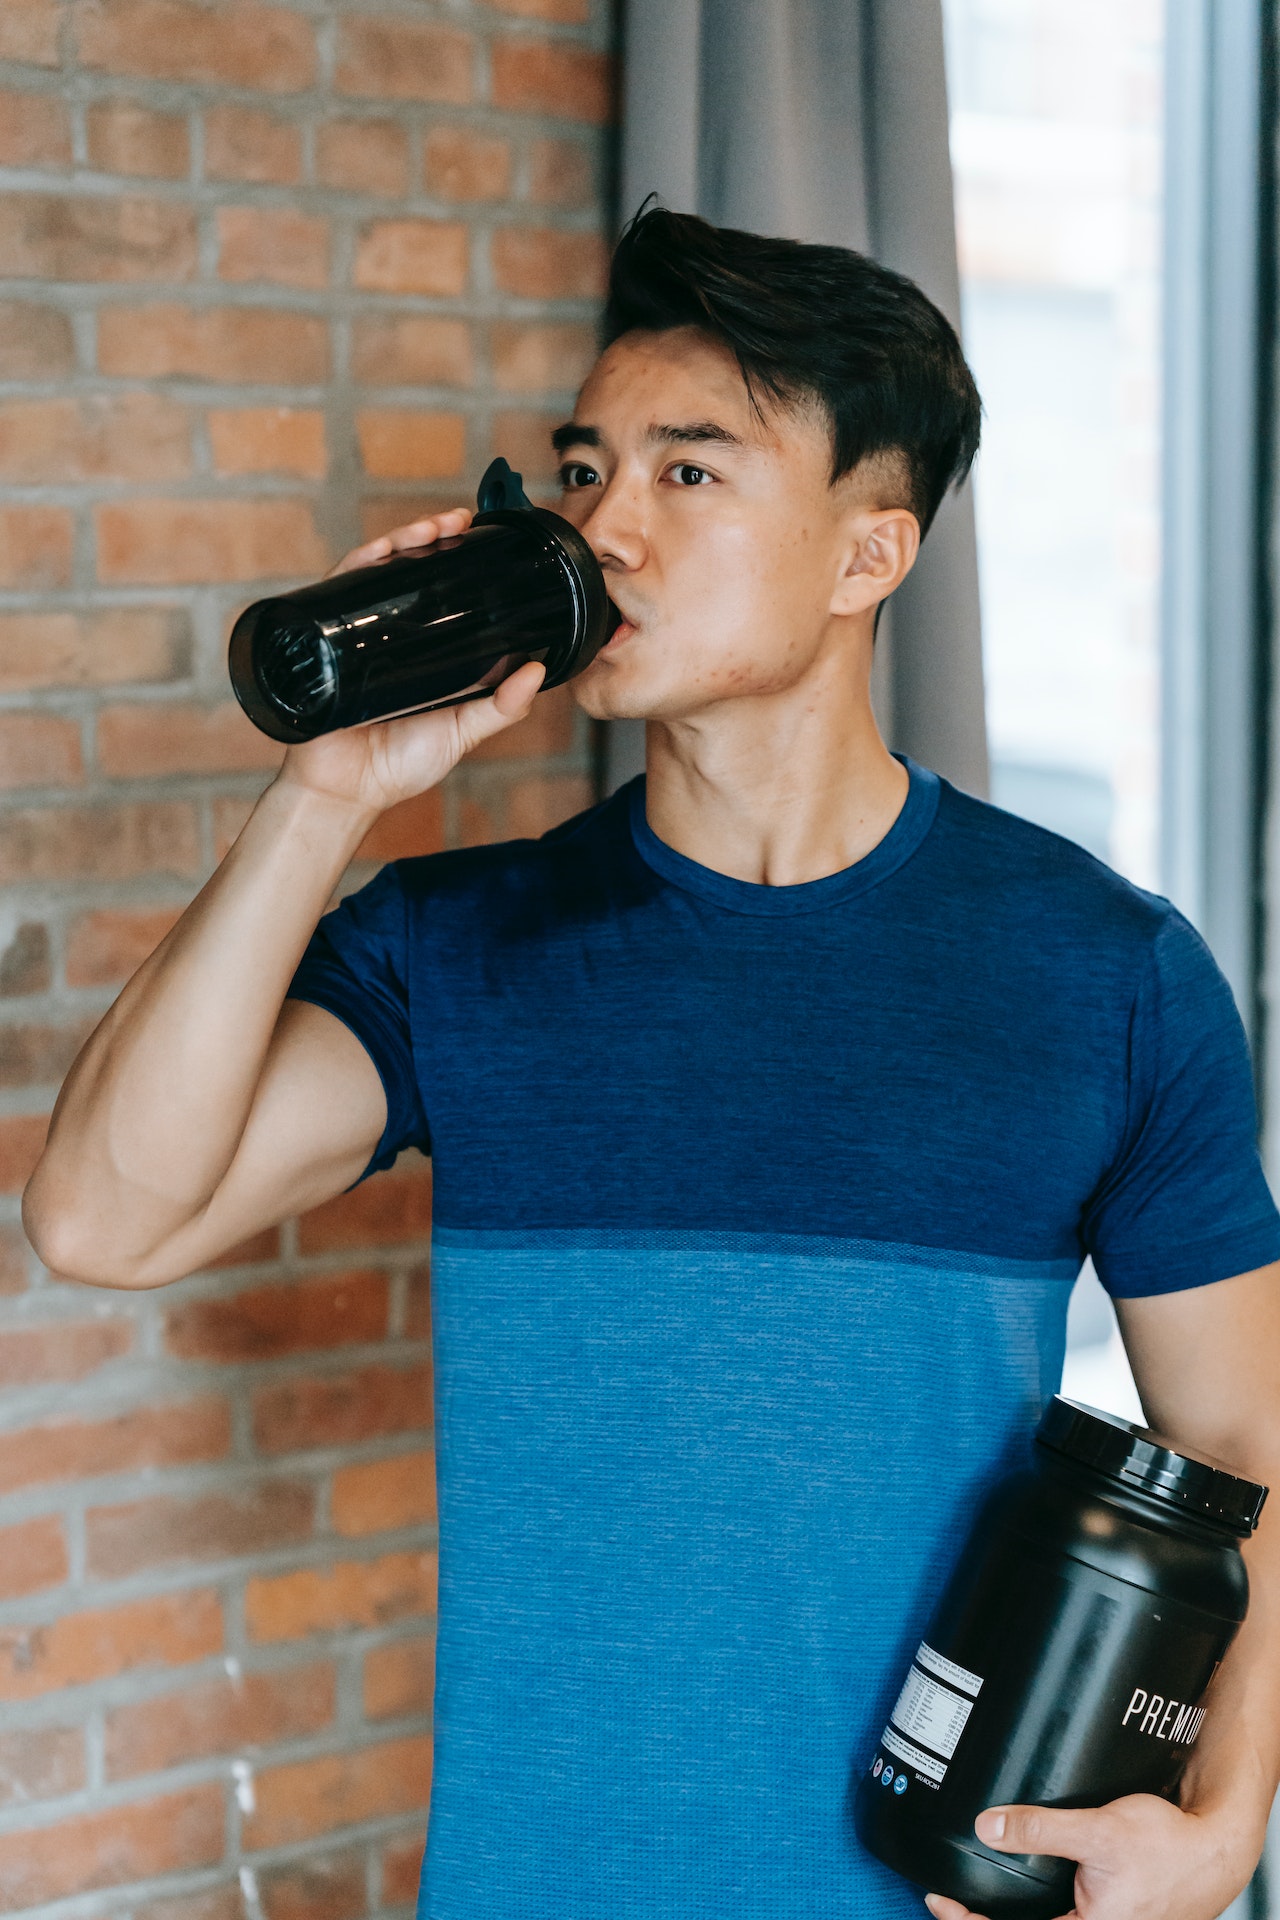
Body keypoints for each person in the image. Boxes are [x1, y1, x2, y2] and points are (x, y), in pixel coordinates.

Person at [24, 208, 1280, 1920]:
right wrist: (324, 792)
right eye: (584, 468)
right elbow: (103, 1219)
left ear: (868, 555)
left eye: (690, 476)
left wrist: (1218, 1833)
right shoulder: (449, 945)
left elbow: (1244, 1447)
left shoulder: (1105, 973)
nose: (603, 528)